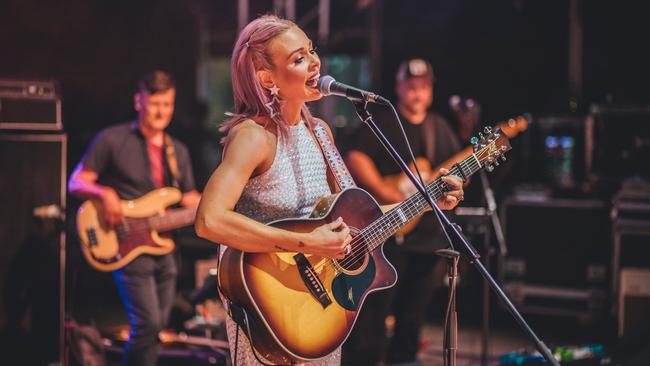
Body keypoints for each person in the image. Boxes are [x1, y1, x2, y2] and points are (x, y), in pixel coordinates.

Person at [194, 16, 464, 366]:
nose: (315, 62)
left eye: (312, 51)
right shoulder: (252, 136)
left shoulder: (320, 132)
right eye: (298, 58)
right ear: (267, 78)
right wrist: (308, 243)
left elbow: (359, 221)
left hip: (322, 312)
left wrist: (427, 203)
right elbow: (209, 220)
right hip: (270, 306)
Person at [68, 70, 201, 366]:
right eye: (155, 104)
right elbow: (77, 182)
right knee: (147, 324)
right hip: (128, 243)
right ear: (138, 101)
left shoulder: (176, 151)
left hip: (165, 247)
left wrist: (219, 205)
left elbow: (188, 196)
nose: (161, 112)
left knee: (156, 327)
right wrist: (104, 195)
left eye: (167, 105)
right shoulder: (113, 139)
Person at [342, 58, 463, 366]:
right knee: (376, 308)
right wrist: (387, 193)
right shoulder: (382, 120)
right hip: (386, 229)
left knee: (415, 310)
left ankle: (404, 359)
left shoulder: (439, 126)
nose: (418, 93)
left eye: (423, 87)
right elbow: (356, 157)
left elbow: (452, 171)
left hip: (426, 234)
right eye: (411, 87)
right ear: (399, 88)